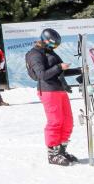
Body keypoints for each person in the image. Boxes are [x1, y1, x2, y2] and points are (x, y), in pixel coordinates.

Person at [25, 28, 79, 166]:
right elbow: (41, 75)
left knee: (67, 121)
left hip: (60, 89)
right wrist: (59, 67)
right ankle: (53, 153)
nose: (54, 48)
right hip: (48, 91)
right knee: (55, 121)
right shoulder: (34, 54)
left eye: (56, 46)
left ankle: (61, 150)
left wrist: (80, 70)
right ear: (46, 40)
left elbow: (60, 71)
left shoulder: (49, 52)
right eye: (53, 45)